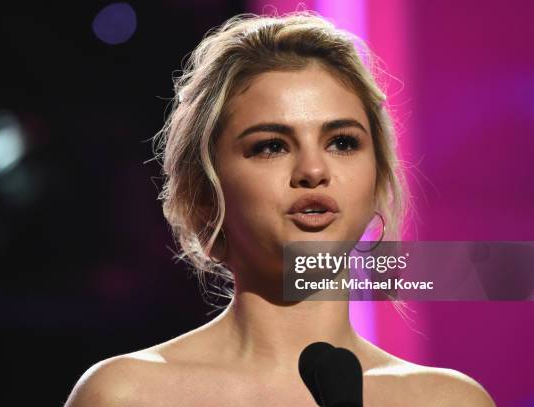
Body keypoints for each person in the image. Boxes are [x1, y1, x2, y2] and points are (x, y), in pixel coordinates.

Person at [65, 12, 495, 406]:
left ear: (378, 177)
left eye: (342, 142)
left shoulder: (448, 400)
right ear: (205, 192)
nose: (313, 170)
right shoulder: (128, 395)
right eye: (271, 146)